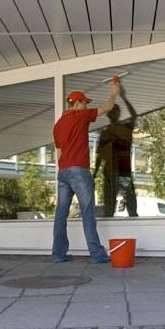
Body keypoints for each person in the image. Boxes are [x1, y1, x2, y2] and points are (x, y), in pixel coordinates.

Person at [52, 81, 120, 263]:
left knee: (61, 214)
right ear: (77, 103)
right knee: (88, 211)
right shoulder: (80, 116)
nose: (86, 106)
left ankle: (58, 254)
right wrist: (114, 91)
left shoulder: (57, 125)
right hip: (78, 170)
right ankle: (97, 254)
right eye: (85, 103)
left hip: (63, 171)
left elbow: (59, 152)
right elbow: (108, 107)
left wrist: (66, 166)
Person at [93, 86, 138, 217]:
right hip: (110, 172)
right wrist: (94, 174)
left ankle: (135, 226)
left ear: (119, 114)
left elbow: (134, 115)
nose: (115, 114)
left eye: (117, 111)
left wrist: (124, 97)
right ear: (109, 114)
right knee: (109, 205)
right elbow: (99, 156)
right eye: (113, 112)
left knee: (131, 204)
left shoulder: (126, 128)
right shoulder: (105, 133)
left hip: (124, 171)